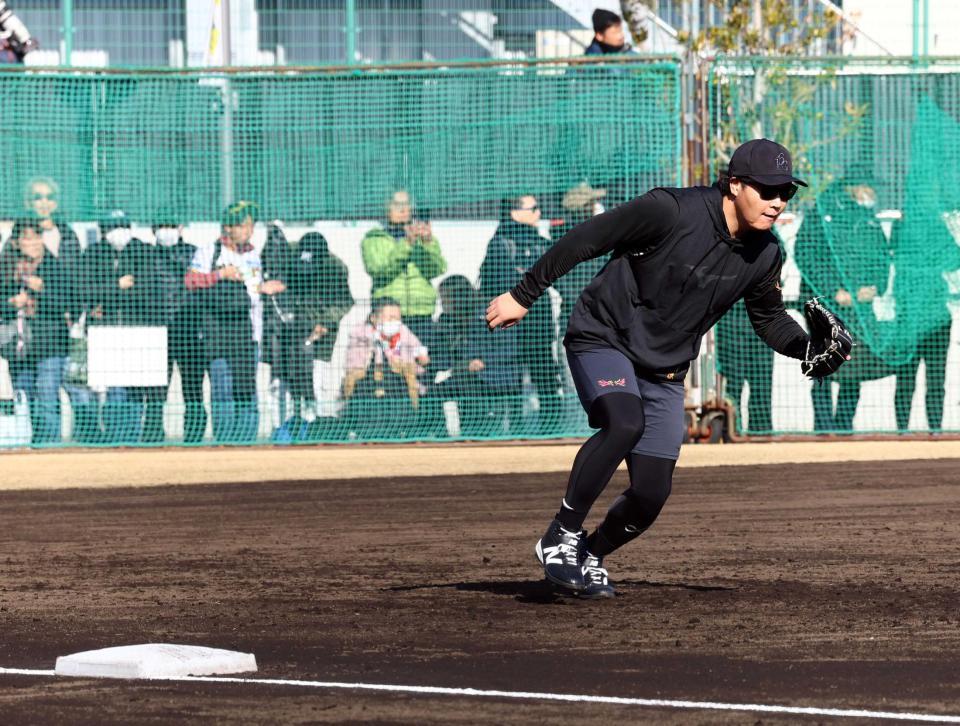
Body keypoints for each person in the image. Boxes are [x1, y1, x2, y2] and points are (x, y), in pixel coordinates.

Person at [485, 139, 850, 598]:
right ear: (735, 184)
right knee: (625, 423)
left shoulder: (765, 254)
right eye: (767, 189)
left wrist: (808, 349)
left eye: (786, 192)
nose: (778, 201)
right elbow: (588, 238)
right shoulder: (670, 210)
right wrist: (523, 295)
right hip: (604, 337)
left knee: (651, 493)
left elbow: (770, 319)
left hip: (665, 369)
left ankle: (590, 554)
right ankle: (562, 533)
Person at [795, 179, 891, 432]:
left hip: (859, 305)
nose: (872, 194)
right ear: (855, 186)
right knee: (824, 363)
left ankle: (845, 425)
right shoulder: (821, 211)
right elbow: (805, 254)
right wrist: (833, 292)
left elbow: (882, 255)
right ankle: (824, 427)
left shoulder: (867, 217)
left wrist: (875, 286)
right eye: (869, 188)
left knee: (853, 364)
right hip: (823, 305)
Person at [186, 200, 285, 443]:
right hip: (218, 334)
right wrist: (221, 274)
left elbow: (254, 288)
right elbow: (191, 281)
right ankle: (225, 442)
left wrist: (264, 288)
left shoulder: (254, 255)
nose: (248, 231)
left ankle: (246, 442)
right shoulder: (209, 252)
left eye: (251, 225)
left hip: (249, 335)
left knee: (246, 391)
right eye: (242, 225)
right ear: (228, 227)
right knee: (222, 390)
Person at [22, 176, 99, 443]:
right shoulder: (21, 234)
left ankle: (83, 438)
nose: (44, 203)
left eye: (49, 197)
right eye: (37, 197)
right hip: (31, 329)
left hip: (64, 325)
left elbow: (77, 280)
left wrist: (75, 311)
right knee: (34, 389)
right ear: (28, 202)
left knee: (74, 386)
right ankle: (41, 441)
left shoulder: (66, 235)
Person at [479, 194, 562, 434]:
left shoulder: (541, 243)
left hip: (537, 323)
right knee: (511, 376)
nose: (539, 213)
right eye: (533, 208)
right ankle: (517, 429)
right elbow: (493, 284)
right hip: (512, 325)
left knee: (544, 375)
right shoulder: (501, 243)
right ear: (514, 212)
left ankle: (550, 428)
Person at [84, 210, 160, 444]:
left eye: (121, 227)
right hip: (105, 330)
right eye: (111, 228)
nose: (117, 232)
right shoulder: (93, 253)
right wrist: (116, 285)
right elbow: (85, 289)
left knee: (135, 388)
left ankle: (131, 437)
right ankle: (115, 436)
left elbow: (146, 290)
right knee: (112, 388)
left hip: (138, 329)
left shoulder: (144, 251)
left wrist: (105, 295)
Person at [0, 219, 73, 444]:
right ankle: (30, 444)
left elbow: (68, 302)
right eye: (27, 238)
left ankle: (49, 447)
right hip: (18, 347)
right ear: (16, 242)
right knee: (25, 397)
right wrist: (12, 303)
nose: (32, 243)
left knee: (47, 398)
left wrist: (41, 291)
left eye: (36, 237)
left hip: (50, 345)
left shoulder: (54, 266)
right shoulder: (6, 268)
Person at [278, 231, 353, 434]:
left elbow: (345, 302)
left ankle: (314, 429)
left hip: (322, 335)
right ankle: (287, 429)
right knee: (286, 382)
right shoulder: (286, 254)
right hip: (291, 331)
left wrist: (324, 323)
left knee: (316, 382)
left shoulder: (336, 268)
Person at [429, 275, 520, 437]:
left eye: (446, 298)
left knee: (472, 389)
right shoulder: (446, 321)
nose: (442, 304)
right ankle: (439, 435)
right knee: (432, 392)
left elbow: (509, 349)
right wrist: (453, 365)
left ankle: (480, 431)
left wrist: (482, 361)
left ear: (459, 296)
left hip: (495, 375)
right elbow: (442, 356)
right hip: (464, 377)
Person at [360, 189, 447, 346]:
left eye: (406, 205)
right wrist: (406, 244)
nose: (403, 210)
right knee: (392, 359)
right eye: (397, 205)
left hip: (421, 313)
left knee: (423, 358)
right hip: (389, 315)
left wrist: (428, 243)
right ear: (386, 208)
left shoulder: (420, 237)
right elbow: (378, 269)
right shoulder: (374, 239)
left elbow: (436, 269)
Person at [341, 297, 429, 439]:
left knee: (410, 379)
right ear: (374, 318)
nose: (395, 322)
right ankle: (357, 425)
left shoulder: (403, 332)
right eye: (390, 318)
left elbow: (417, 349)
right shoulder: (362, 334)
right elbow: (355, 363)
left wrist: (419, 357)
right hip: (367, 379)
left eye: (397, 318)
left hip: (398, 377)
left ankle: (410, 419)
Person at [153, 218, 206, 443]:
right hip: (158, 329)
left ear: (180, 228)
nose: (166, 231)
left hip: (190, 328)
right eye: (162, 226)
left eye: (171, 226)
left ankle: (194, 434)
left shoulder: (195, 253)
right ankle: (153, 432)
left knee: (192, 387)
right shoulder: (147, 256)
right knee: (156, 388)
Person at [716, 300, 774, 434]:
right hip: (732, 316)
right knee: (734, 382)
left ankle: (761, 431)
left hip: (763, 316)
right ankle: (732, 430)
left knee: (762, 383)